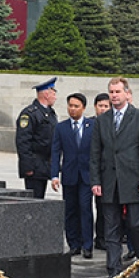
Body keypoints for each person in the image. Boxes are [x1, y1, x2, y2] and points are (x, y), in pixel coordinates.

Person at [89, 77, 139, 278]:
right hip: (109, 182)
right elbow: (95, 153)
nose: (114, 95)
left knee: (136, 225)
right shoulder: (102, 120)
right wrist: (95, 181)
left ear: (127, 93)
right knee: (111, 228)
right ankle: (114, 269)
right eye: (111, 92)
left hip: (133, 182)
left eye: (118, 91)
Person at [51, 93, 95, 258]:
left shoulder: (93, 125)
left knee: (85, 208)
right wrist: (54, 175)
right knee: (70, 210)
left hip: (86, 175)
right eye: (70, 105)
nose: (73, 109)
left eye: (76, 106)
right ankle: (73, 244)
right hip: (69, 175)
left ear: (83, 108)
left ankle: (87, 244)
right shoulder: (61, 127)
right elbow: (56, 152)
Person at [15, 77, 58, 198]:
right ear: (46, 93)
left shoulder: (50, 113)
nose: (55, 96)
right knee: (34, 199)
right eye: (53, 92)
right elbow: (23, 141)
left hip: (45, 165)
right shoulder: (29, 114)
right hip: (34, 165)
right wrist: (27, 166)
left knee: (40, 198)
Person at [92, 93, 111, 250]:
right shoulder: (91, 124)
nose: (103, 109)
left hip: (107, 173)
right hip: (92, 172)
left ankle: (105, 237)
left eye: (106, 106)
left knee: (106, 208)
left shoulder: (112, 124)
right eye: (101, 106)